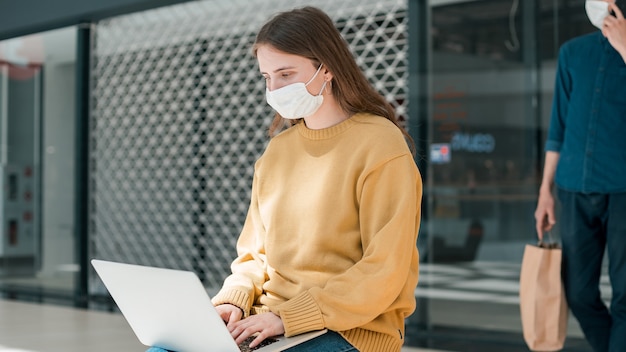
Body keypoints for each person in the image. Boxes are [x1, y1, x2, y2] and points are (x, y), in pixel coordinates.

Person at [147, 6, 422, 352]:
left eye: (286, 74)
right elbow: (254, 256)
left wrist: (288, 317)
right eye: (267, 77)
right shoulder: (277, 152)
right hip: (270, 322)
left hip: (349, 331)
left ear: (327, 68)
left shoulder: (380, 144)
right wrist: (234, 299)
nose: (274, 89)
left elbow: (384, 269)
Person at [534, 1, 626, 351]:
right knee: (578, 292)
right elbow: (558, 127)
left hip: (622, 191)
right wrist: (545, 191)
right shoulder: (572, 52)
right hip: (573, 187)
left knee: (625, 298)